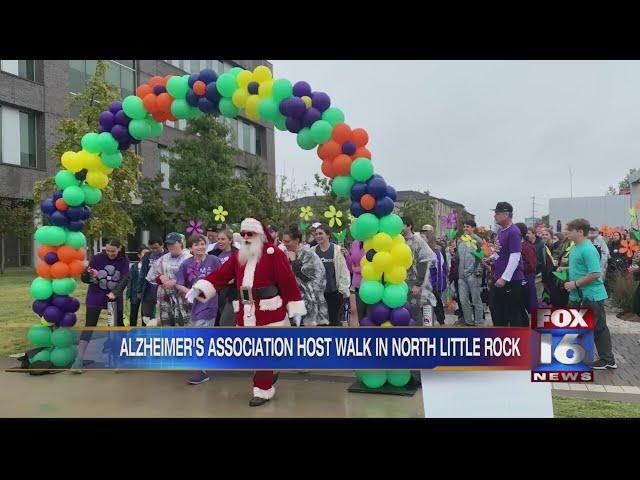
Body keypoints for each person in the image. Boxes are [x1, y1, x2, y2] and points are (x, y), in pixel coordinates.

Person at [187, 217, 306, 407]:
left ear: (259, 234)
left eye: (250, 233)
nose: (246, 237)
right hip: (246, 309)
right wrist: (201, 288)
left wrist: (294, 304)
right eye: (243, 234)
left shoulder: (272, 252)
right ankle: (271, 372)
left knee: (264, 352)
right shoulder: (238, 255)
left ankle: (263, 390)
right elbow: (222, 274)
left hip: (268, 309)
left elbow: (287, 279)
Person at [564, 218, 617, 369]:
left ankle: (607, 360)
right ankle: (577, 356)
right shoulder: (575, 247)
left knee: (598, 327)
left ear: (580, 232)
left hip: (591, 295)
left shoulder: (588, 249)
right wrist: (566, 270)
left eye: (570, 230)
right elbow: (583, 269)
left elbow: (595, 273)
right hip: (578, 295)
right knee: (577, 326)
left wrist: (574, 283)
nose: (567, 233)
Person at [71, 239, 130, 372]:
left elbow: (125, 278)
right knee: (89, 325)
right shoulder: (97, 258)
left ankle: (118, 360)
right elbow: (87, 278)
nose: (110, 253)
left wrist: (115, 293)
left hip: (113, 297)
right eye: (108, 250)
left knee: (114, 327)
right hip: (95, 296)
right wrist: (88, 276)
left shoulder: (124, 260)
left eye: (113, 251)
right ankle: (78, 360)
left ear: (119, 248)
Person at [175, 234, 222, 385]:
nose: (200, 247)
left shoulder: (213, 261)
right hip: (190, 306)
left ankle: (201, 371)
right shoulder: (186, 264)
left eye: (202, 244)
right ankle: (201, 366)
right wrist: (189, 292)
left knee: (201, 336)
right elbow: (178, 283)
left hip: (208, 304)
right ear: (190, 248)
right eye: (196, 245)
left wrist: (207, 290)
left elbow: (222, 278)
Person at [485, 202, 527, 327]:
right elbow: (500, 252)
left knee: (512, 314)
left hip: (511, 280)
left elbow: (515, 257)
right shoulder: (501, 231)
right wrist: (491, 258)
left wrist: (504, 278)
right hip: (498, 276)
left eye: (497, 213)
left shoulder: (513, 232)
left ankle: (515, 341)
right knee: (496, 310)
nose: (495, 216)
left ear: (506, 214)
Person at [282, 227, 329, 326]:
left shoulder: (308, 254)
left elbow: (306, 277)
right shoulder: (285, 254)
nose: (284, 244)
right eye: (283, 241)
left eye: (287, 241)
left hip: (310, 303)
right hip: (293, 301)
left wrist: (294, 261)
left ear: (296, 240)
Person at [146, 232, 192, 326]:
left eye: (173, 243)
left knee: (183, 325)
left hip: (183, 299)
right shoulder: (163, 259)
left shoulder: (189, 258)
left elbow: (194, 277)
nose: (170, 246)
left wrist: (175, 282)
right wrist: (160, 278)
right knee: (166, 324)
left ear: (180, 243)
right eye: (168, 244)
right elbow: (151, 276)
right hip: (166, 298)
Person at [312, 225, 351, 326]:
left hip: (334, 293)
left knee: (334, 322)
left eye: (320, 233)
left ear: (328, 235)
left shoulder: (337, 250)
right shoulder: (312, 251)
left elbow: (344, 272)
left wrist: (342, 291)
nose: (318, 236)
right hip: (318, 295)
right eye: (316, 234)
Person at [402, 217, 436, 325]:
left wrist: (418, 284)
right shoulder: (398, 240)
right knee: (402, 310)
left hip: (413, 280)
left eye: (402, 225)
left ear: (409, 226)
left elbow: (425, 261)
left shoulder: (418, 241)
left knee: (414, 309)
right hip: (399, 280)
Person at [456, 220, 485, 326]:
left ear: (473, 228)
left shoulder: (478, 241)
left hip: (473, 274)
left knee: (476, 300)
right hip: (461, 276)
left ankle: (479, 322)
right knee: (463, 301)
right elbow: (457, 258)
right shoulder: (460, 241)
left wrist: (475, 269)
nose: (465, 229)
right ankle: (469, 322)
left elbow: (482, 255)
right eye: (464, 227)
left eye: (468, 227)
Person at [209, 229, 238, 326]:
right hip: (216, 291)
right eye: (218, 239)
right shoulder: (212, 254)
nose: (220, 241)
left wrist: (234, 279)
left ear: (230, 240)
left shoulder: (237, 254)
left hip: (231, 292)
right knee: (217, 319)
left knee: (226, 321)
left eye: (223, 239)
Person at [137, 238, 165, 327]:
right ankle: (147, 335)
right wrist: (139, 290)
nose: (154, 250)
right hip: (149, 289)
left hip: (162, 289)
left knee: (164, 315)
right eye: (152, 248)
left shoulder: (168, 255)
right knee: (146, 316)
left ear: (162, 245)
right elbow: (142, 273)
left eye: (156, 248)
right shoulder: (147, 256)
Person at [517, 223, 538, 314]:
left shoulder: (526, 246)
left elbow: (531, 265)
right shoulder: (517, 245)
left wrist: (518, 268)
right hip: (520, 278)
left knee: (530, 303)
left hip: (527, 278)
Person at [127, 245, 149, 327]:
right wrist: (129, 293)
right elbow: (130, 280)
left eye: (148, 254)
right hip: (134, 293)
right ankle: (132, 330)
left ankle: (145, 332)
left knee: (145, 314)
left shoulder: (150, 267)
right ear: (139, 255)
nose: (147, 256)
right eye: (145, 253)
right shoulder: (134, 267)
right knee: (133, 313)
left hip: (146, 293)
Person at [348, 239, 367, 323]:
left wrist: (356, 269)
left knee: (370, 314)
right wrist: (346, 255)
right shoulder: (355, 243)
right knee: (361, 313)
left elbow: (370, 265)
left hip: (372, 284)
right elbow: (351, 266)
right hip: (357, 285)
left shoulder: (372, 241)